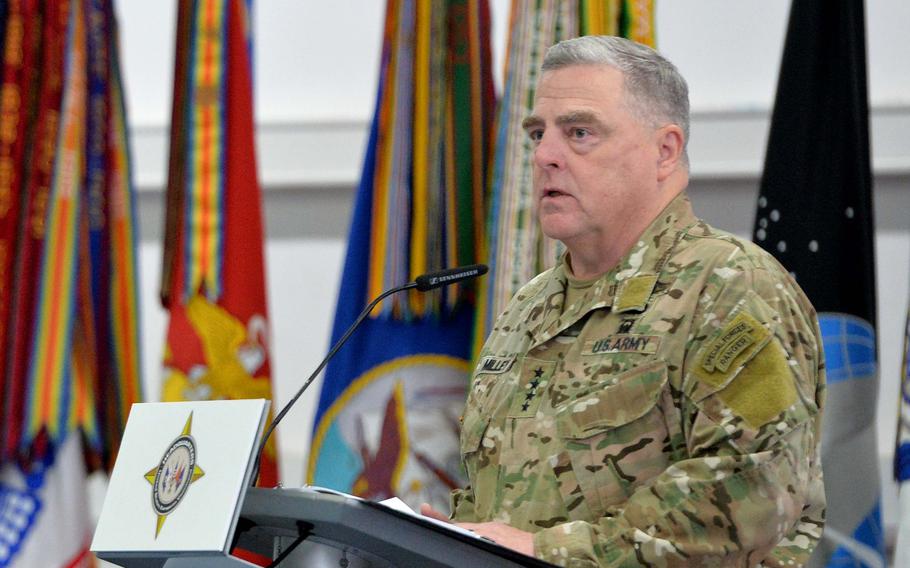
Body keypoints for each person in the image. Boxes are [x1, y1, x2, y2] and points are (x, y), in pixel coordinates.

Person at [421, 36, 825, 567]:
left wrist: (544, 552)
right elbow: (505, 506)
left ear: (665, 150)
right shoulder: (531, 306)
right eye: (538, 134)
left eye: (579, 133)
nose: (544, 156)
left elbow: (748, 500)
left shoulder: (728, 285)